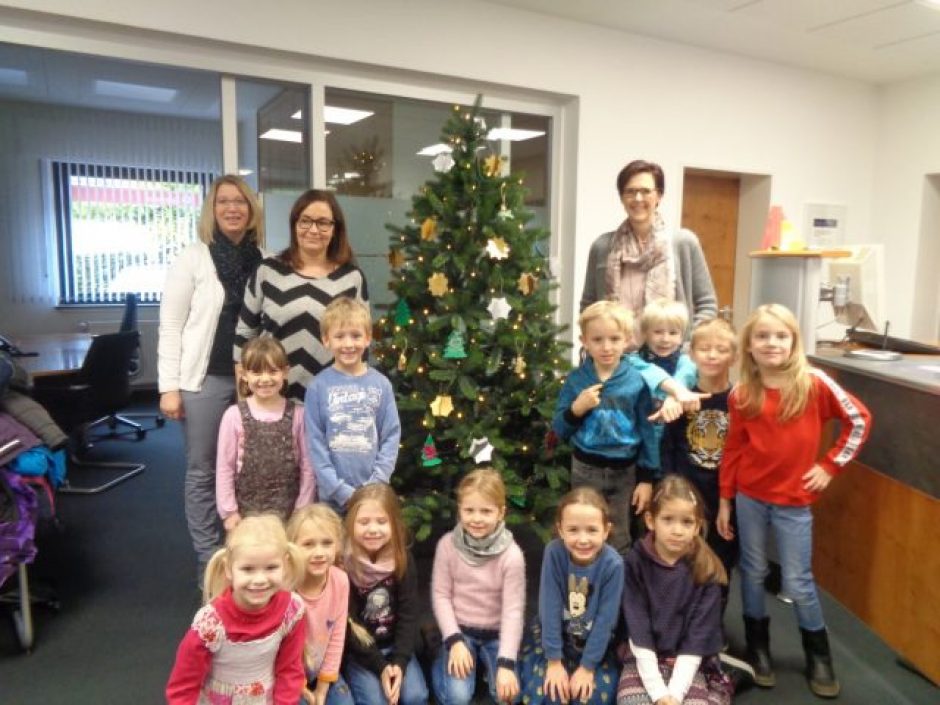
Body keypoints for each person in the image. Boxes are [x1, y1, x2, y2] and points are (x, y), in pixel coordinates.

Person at [717, 303, 871, 698]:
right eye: (762, 336)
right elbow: (733, 449)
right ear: (749, 345)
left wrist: (830, 465)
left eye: (781, 336)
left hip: (793, 502)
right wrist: (724, 500)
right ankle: (759, 647)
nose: (772, 343)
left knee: (798, 582)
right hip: (750, 498)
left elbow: (859, 419)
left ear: (793, 341)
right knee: (750, 572)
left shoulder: (814, 382)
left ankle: (818, 656)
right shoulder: (742, 392)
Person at [159, 174, 264, 579]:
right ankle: (210, 561)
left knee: (248, 469)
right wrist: (169, 388)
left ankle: (246, 553)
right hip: (203, 381)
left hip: (252, 382)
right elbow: (171, 325)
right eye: (223, 201)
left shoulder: (266, 259)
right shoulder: (193, 258)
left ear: (251, 209)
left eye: (240, 201)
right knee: (203, 470)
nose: (232, 208)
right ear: (212, 209)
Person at [236, 189, 368, 402]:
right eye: (305, 221)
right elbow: (244, 333)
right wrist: (243, 396)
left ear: (336, 229)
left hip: (332, 399)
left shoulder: (352, 278)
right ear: (294, 224)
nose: (314, 230)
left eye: (323, 222)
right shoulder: (267, 271)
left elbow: (361, 340)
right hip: (270, 398)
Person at [552, 301, 658, 552]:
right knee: (583, 530)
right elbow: (558, 430)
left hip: (625, 472)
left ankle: (617, 588)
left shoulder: (635, 381)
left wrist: (646, 479)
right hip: (585, 469)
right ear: (584, 341)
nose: (607, 347)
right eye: (598, 339)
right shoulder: (577, 380)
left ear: (627, 340)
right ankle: (582, 585)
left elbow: (648, 431)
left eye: (614, 339)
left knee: (619, 534)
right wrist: (576, 409)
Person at [166, 514, 306, 705]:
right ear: (229, 569)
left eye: (271, 567)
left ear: (285, 564)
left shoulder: (291, 611)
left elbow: (290, 670)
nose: (260, 580)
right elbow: (184, 686)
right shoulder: (210, 624)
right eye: (248, 569)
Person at [617, 475, 733, 705]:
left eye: (686, 522)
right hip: (643, 658)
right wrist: (659, 693)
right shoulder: (636, 563)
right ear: (651, 521)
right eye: (668, 520)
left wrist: (675, 695)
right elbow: (639, 631)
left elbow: (696, 639)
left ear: (697, 526)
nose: (677, 530)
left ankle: (721, 677)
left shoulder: (706, 570)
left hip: (688, 661)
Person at [661, 318, 739, 616]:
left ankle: (711, 624)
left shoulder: (739, 401)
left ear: (734, 356)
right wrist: (670, 490)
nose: (712, 355)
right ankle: (676, 620)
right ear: (691, 353)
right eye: (704, 348)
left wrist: (728, 499)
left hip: (724, 496)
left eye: (721, 349)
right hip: (686, 493)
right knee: (680, 559)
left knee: (720, 562)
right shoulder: (681, 399)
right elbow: (668, 447)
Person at [580, 159, 717, 328]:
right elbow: (588, 306)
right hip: (615, 352)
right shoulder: (602, 246)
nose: (638, 198)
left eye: (645, 191)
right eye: (630, 191)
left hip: (671, 353)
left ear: (658, 196)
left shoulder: (684, 243)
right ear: (622, 197)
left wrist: (687, 342)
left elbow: (707, 305)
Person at [518, 487, 624, 705]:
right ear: (561, 529)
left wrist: (587, 667)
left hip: (595, 644)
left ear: (606, 530)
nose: (582, 540)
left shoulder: (613, 565)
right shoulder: (554, 553)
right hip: (554, 638)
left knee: (590, 696)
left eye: (592, 530)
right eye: (573, 530)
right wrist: (554, 662)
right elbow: (549, 609)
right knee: (549, 692)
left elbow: (606, 622)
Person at [431, 468, 526, 705]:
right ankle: (440, 656)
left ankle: (489, 668)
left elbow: (513, 611)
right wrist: (454, 640)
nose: (476, 518)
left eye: (486, 511)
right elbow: (441, 594)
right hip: (460, 630)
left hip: (496, 634)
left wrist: (506, 663)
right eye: (469, 510)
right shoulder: (447, 546)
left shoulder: (512, 556)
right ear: (460, 510)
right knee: (458, 697)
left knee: (508, 697)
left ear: (501, 512)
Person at [304, 298, 400, 512]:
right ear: (326, 340)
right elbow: (315, 444)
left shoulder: (381, 385)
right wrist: (340, 491)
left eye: (356, 336)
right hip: (332, 500)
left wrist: (374, 486)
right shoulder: (317, 387)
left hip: (373, 498)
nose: (348, 344)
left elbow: (391, 436)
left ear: (368, 338)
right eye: (339, 336)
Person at [341, 484, 428, 705]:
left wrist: (399, 662)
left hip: (395, 645)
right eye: (364, 522)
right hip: (362, 652)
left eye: (381, 522)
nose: (373, 529)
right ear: (351, 523)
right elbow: (349, 626)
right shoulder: (344, 564)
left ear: (394, 524)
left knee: (416, 696)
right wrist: (380, 666)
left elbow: (409, 615)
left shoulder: (402, 559)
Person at [216, 337, 315, 530]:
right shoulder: (233, 415)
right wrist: (229, 512)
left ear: (285, 372)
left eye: (272, 371)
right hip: (245, 515)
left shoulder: (299, 415)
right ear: (244, 374)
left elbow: (308, 466)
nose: (265, 379)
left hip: (291, 514)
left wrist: (303, 509)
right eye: (257, 372)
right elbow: (224, 467)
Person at [286, 504, 353, 705]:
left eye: (327, 543)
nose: (319, 552)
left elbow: (337, 637)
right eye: (308, 544)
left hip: (322, 671)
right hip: (289, 676)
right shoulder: (286, 589)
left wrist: (323, 689)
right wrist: (302, 688)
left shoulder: (340, 580)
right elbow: (282, 652)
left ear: (338, 546)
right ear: (292, 547)